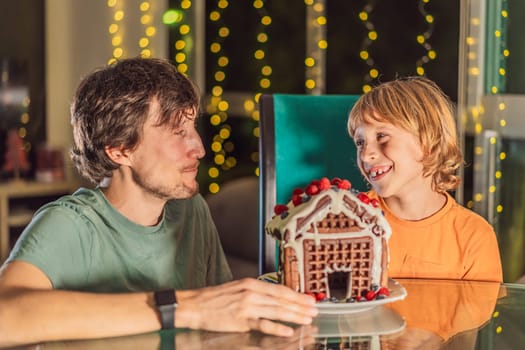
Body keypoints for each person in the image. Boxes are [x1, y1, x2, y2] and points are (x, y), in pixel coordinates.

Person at [0, 57, 317, 347]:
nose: (199, 148)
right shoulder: (69, 225)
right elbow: (5, 319)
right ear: (120, 150)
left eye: (193, 127)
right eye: (178, 132)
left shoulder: (191, 211)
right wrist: (179, 308)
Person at [347, 76, 503, 282]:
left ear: (428, 141)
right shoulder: (348, 221)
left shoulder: (473, 236)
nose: (366, 155)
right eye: (360, 142)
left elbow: (483, 313)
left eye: (382, 136)